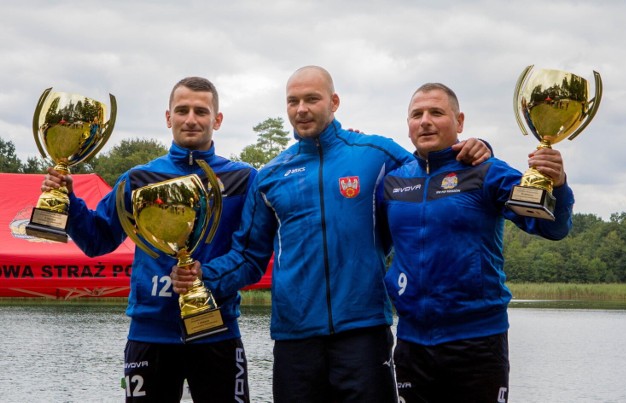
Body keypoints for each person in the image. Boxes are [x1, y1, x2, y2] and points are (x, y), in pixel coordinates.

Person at [171, 66, 490, 402]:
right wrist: (204, 275)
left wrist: (477, 148)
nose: (302, 109)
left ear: (334, 101)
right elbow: (249, 258)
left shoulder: (375, 154)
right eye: (293, 101)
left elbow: (430, 168)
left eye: (312, 99)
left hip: (364, 331)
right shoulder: (269, 176)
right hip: (295, 337)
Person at [41, 77, 256, 402]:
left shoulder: (243, 179)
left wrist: (207, 278)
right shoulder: (138, 179)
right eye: (182, 110)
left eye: (201, 111)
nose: (191, 119)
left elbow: (251, 257)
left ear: (217, 119)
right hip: (149, 335)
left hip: (218, 332)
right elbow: (97, 240)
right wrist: (68, 201)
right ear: (168, 117)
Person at [379, 83, 574, 402]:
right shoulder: (393, 182)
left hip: (478, 341)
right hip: (412, 343)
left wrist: (560, 185)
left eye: (436, 112)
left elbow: (552, 228)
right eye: (417, 114)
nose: (425, 120)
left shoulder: (486, 172)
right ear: (408, 125)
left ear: (459, 122)